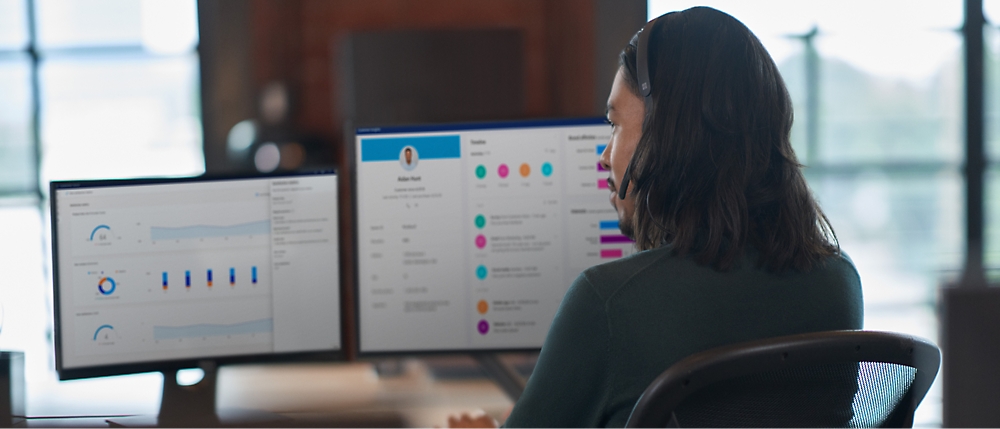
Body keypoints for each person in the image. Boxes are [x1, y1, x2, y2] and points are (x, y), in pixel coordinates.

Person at [453, 6, 862, 428]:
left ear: (665, 137)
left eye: (614, 125)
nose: (604, 155)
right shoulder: (838, 285)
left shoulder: (609, 305)